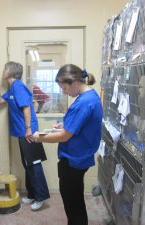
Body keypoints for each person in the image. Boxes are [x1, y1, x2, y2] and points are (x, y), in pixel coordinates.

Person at [33, 64, 103, 225]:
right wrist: (65, 125)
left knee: (73, 205)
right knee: (76, 201)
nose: (64, 92)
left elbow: (64, 137)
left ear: (74, 82)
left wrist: (39, 137)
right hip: (80, 157)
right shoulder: (90, 97)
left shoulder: (83, 103)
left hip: (74, 160)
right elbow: (79, 126)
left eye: (64, 88)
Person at [0, 61, 50, 211]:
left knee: (34, 164)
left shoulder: (18, 86)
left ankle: (40, 197)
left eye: (5, 68)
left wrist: (28, 129)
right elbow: (0, 101)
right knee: (28, 164)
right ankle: (32, 194)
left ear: (11, 72)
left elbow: (26, 108)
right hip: (23, 133)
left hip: (29, 132)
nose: (3, 71)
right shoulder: (12, 88)